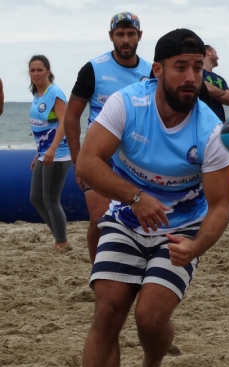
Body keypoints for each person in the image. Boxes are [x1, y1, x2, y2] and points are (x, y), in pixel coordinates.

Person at [76, 28, 229, 367]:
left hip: (181, 229)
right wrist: (135, 198)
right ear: (158, 70)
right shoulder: (126, 104)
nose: (191, 77)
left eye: (197, 68)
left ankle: (151, 365)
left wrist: (197, 247)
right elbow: (88, 163)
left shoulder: (211, 130)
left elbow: (221, 206)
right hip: (126, 218)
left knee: (149, 317)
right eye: (181, 67)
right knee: (109, 309)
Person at [64, 12, 152, 263]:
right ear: (111, 36)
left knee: (136, 218)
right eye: (120, 34)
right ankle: (98, 271)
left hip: (136, 158)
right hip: (99, 157)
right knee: (101, 219)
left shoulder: (150, 71)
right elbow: (72, 116)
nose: (125, 39)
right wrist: (77, 159)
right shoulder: (93, 69)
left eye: (130, 34)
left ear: (139, 36)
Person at [28, 55, 72, 251]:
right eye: (32, 70)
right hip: (44, 152)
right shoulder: (37, 95)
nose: (36, 74)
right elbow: (44, 128)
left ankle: (62, 242)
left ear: (48, 71)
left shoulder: (55, 93)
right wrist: (38, 153)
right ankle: (58, 236)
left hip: (59, 153)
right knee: (36, 198)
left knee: (51, 199)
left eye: (39, 70)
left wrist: (52, 149)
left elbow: (65, 122)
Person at [202, 44, 229, 121]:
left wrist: (212, 93)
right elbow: (207, 88)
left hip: (219, 123)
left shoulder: (220, 78)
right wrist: (223, 93)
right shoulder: (198, 72)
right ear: (208, 52)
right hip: (204, 122)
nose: (218, 57)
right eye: (215, 53)